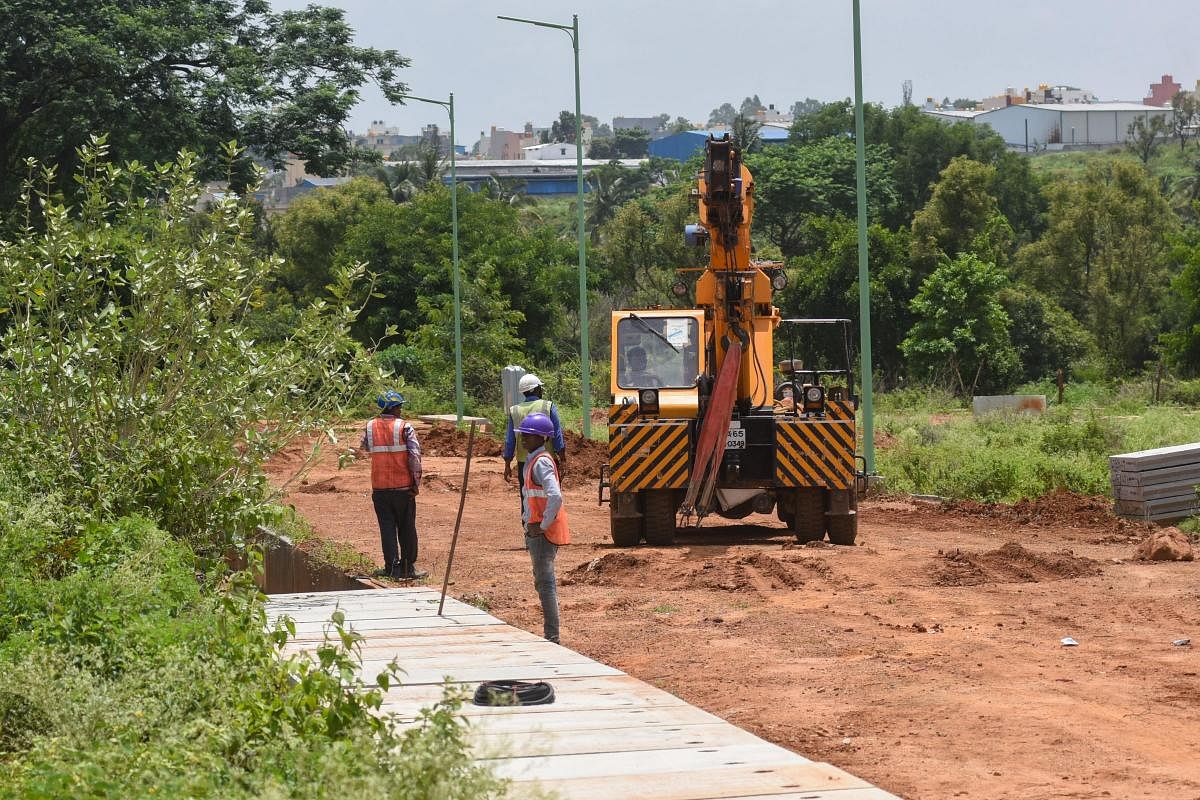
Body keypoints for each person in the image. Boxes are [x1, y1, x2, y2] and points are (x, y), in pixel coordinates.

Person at [361, 390, 427, 581]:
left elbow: (365, 447)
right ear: (392, 407)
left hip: (380, 488)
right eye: (399, 406)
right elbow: (414, 456)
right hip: (403, 487)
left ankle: (391, 568)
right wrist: (416, 483)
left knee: (387, 528)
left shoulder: (370, 427)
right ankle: (408, 568)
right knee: (407, 527)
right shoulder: (404, 427)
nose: (401, 409)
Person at [516, 411, 570, 644]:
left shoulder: (541, 463)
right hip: (537, 530)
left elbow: (555, 497)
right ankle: (551, 635)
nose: (524, 439)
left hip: (542, 534)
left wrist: (542, 525)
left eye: (529, 436)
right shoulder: (535, 461)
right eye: (523, 435)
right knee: (542, 582)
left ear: (542, 438)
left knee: (545, 583)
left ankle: (552, 637)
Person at [503, 373, 566, 515]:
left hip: (523, 463)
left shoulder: (515, 411)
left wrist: (507, 464)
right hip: (547, 460)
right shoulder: (548, 406)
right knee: (550, 495)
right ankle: (550, 527)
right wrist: (562, 459)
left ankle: (529, 528)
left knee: (527, 497)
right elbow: (557, 435)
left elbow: (510, 441)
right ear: (536, 390)